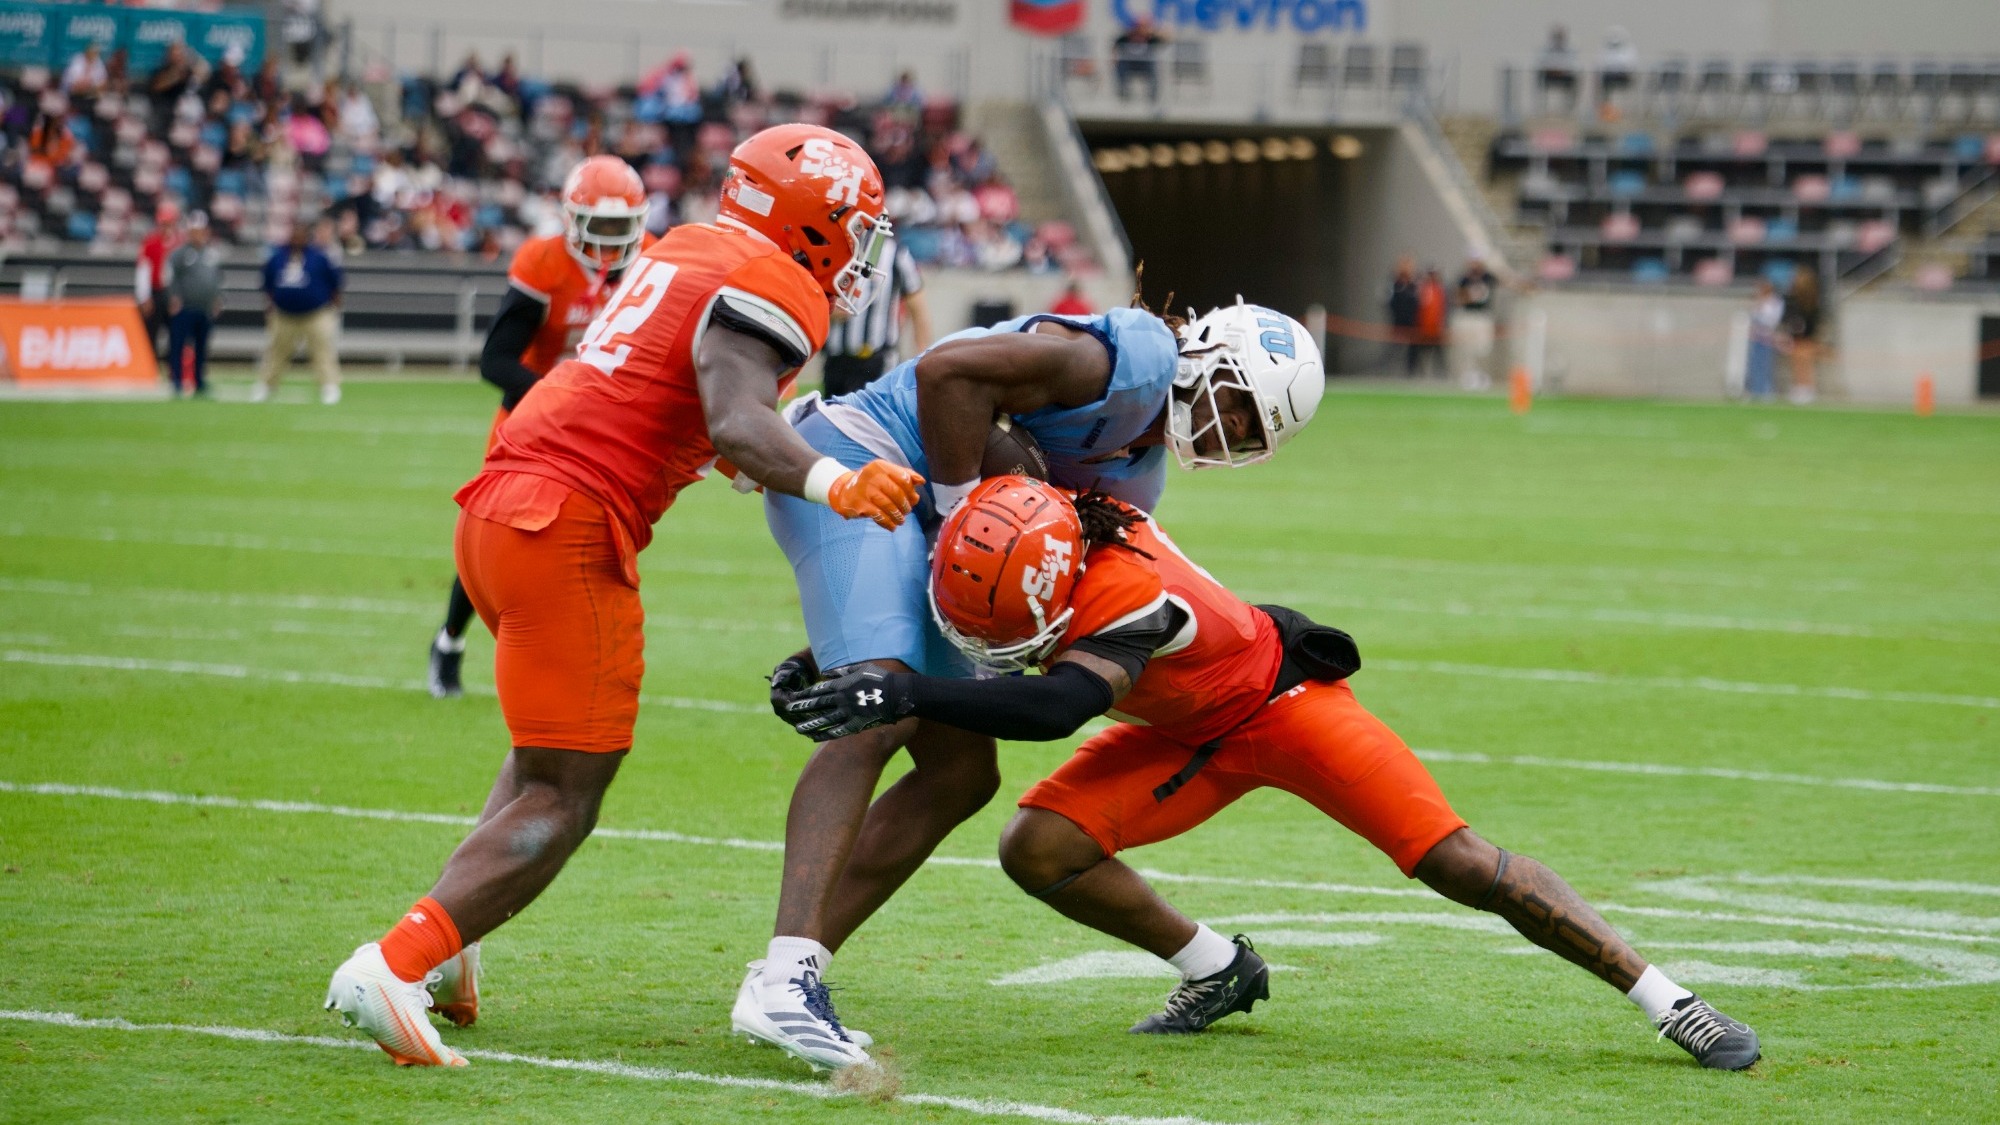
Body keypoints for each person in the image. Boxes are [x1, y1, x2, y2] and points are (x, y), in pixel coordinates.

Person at [775, 477, 1763, 1072]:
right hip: (1183, 729)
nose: (985, 645)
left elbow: (1050, 708)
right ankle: (1216, 970)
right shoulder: (1028, 522)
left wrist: (898, 693)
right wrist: (847, 659)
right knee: (1038, 846)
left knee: (1458, 861)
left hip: (1284, 712)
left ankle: (1667, 999)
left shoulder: (1129, 599)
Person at [321, 124, 924, 1069]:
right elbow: (734, 413)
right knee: (568, 792)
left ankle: (452, 945)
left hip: (498, 503)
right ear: (814, 222)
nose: (863, 247)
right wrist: (832, 483)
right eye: (856, 225)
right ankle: (394, 964)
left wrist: (751, 448)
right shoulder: (776, 283)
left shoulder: (686, 247)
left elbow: (687, 405)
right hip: (566, 520)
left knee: (538, 759)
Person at [737, 300, 1325, 1071]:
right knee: (877, 711)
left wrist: (833, 646)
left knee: (960, 775)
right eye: (1239, 407)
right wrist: (952, 517)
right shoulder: (1118, 363)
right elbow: (947, 376)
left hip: (911, 524)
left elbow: (1003, 567)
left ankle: (796, 963)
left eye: (1252, 434)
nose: (1232, 434)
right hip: (860, 458)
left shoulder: (1135, 481)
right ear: (1209, 358)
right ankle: (786, 978)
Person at [427, 156, 656, 699]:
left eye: (619, 229)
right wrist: (563, 399)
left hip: (607, 427)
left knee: (596, 539)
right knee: (493, 532)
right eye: (596, 227)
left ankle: (570, 657)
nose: (607, 242)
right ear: (570, 220)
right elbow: (495, 360)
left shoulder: (654, 263)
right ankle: (451, 641)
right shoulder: (544, 262)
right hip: (533, 416)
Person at [818, 239, 930, 397]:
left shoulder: (896, 254)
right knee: (833, 418)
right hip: (836, 359)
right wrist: (826, 308)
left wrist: (920, 360)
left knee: (874, 419)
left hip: (878, 360)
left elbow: (918, 310)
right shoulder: (832, 249)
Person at [253, 220, 345, 405]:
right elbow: (268, 282)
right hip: (284, 314)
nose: (297, 238)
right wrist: (272, 304)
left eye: (301, 235)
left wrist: (333, 304)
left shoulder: (319, 257)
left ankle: (329, 386)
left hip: (316, 313)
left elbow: (335, 282)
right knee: (277, 352)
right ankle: (267, 385)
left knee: (322, 351)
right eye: (295, 234)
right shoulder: (278, 257)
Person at [163, 212, 225, 397]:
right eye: (194, 231)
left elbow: (217, 279)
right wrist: (173, 297)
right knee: (178, 344)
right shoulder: (179, 254)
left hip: (205, 307)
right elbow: (169, 277)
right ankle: (176, 381)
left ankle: (199, 381)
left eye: (200, 230)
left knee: (202, 346)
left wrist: (218, 298)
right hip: (185, 307)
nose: (198, 234)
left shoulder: (212, 254)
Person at [136, 203, 183, 379]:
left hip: (173, 294)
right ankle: (150, 370)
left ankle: (174, 371)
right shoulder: (151, 242)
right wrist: (144, 296)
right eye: (163, 223)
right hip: (155, 292)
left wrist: (178, 296)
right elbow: (143, 270)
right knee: (151, 334)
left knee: (175, 335)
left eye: (168, 223)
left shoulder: (180, 243)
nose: (165, 227)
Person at [1454, 256, 1498, 388]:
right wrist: (1470, 297)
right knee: (1467, 349)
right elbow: (1458, 298)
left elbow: (1504, 279)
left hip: (1482, 316)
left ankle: (1481, 376)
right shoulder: (1464, 279)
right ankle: (1468, 376)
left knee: (1483, 349)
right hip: (1468, 316)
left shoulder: (1488, 277)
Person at [1781, 266, 1820, 404]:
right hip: (1795, 337)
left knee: (1804, 362)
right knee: (1797, 363)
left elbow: (1814, 320)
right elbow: (1787, 318)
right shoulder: (1792, 299)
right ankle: (1799, 387)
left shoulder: (1812, 299)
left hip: (1807, 337)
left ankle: (1807, 388)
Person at [1113, 16, 1167, 103]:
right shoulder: (1126, 38)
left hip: (1144, 65)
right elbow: (1115, 46)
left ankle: (1153, 97)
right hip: (1129, 64)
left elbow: (1165, 39)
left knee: (1153, 67)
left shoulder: (1150, 39)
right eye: (1139, 26)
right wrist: (1114, 58)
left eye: (1143, 26)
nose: (1140, 29)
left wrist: (1153, 32)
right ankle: (1123, 94)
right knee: (1120, 66)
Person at [1746, 279, 1783, 400]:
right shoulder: (1760, 301)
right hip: (1756, 337)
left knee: (1766, 365)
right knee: (1755, 364)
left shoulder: (1775, 302)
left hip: (1767, 338)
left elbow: (1771, 320)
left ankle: (1766, 390)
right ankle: (1755, 390)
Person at [1412, 266, 1448, 378]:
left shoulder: (1439, 290)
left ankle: (1441, 375)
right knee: (1419, 354)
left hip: (1436, 329)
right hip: (1423, 329)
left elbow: (1442, 309)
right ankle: (1417, 375)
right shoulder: (1422, 289)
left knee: (1438, 355)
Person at [1535, 25, 1578, 115]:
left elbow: (1573, 64)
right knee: (1538, 77)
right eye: (1556, 36)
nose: (1558, 39)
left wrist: (1561, 70)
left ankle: (1569, 108)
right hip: (1549, 75)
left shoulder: (1570, 49)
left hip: (1564, 76)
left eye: (1560, 36)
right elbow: (1540, 62)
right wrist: (1552, 69)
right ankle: (1541, 108)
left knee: (1575, 80)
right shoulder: (1545, 49)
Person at [1387, 257, 1419, 374]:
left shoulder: (1415, 284)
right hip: (1398, 323)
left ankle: (1411, 373)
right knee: (1394, 350)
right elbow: (1390, 303)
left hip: (1412, 324)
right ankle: (1389, 373)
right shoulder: (1395, 284)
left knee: (1413, 352)